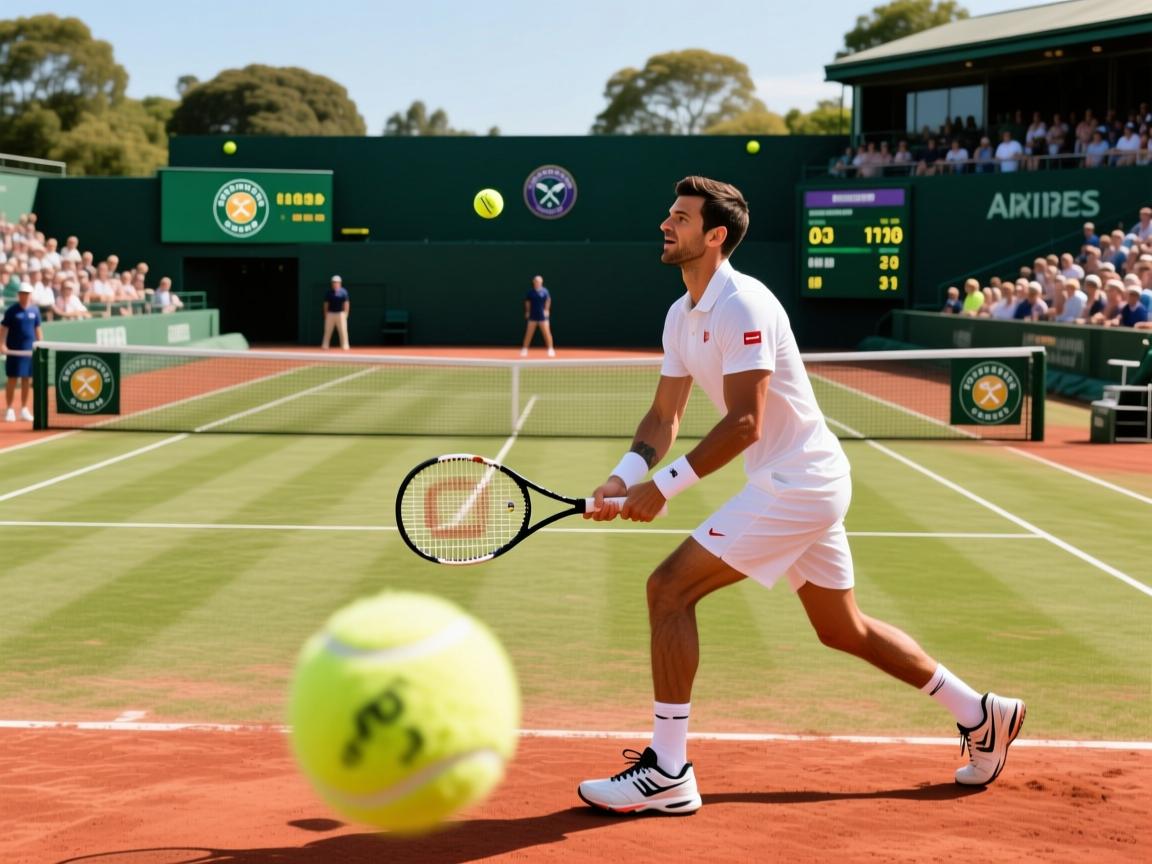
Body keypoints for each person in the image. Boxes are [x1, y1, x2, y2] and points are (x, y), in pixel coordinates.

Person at [575, 176, 1026, 816]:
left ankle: (669, 771)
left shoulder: (744, 305)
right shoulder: (680, 315)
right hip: (788, 481)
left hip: (799, 483)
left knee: (668, 589)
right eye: (668, 214)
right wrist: (623, 477)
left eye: (679, 217)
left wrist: (665, 487)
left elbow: (744, 423)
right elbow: (664, 416)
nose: (665, 225)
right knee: (843, 628)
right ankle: (981, 712)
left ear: (715, 235)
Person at [0, 284, 43, 422]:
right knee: (12, 379)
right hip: (14, 351)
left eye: (27, 293)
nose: (25, 296)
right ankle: (10, 409)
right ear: (19, 295)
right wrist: (2, 344)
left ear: (31, 295)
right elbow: (3, 329)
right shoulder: (11, 311)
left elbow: (38, 329)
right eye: (22, 293)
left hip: (29, 352)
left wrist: (40, 344)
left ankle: (24, 409)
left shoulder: (35, 310)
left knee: (27, 380)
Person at [520, 274, 555, 357]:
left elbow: (548, 300)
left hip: (543, 317)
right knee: (528, 333)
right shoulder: (530, 292)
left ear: (541, 282)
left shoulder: (545, 291)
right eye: (536, 281)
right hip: (532, 316)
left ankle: (550, 349)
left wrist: (546, 310)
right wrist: (527, 311)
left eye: (539, 281)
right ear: (533, 282)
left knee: (547, 333)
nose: (537, 282)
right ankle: (524, 349)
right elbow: (527, 302)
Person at [321, 274, 350, 350]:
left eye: (336, 282)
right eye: (333, 282)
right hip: (330, 314)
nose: (335, 283)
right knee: (327, 331)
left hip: (341, 314)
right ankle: (325, 345)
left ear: (340, 283)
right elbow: (326, 304)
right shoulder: (329, 292)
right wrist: (325, 314)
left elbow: (346, 303)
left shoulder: (344, 292)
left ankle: (345, 346)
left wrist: (346, 314)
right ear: (332, 283)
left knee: (343, 331)